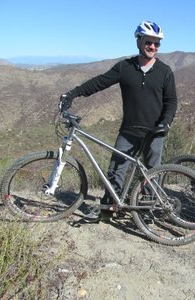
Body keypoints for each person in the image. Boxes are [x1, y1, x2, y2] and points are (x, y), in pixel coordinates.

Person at [59, 20, 178, 220]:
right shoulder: (125, 67)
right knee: (116, 170)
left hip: (154, 132)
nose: (153, 47)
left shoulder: (165, 71)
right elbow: (99, 82)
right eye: (149, 42)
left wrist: (165, 122)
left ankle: (148, 211)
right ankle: (109, 208)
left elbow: (171, 101)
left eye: (157, 44)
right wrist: (73, 93)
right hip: (129, 130)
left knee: (152, 173)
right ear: (139, 41)